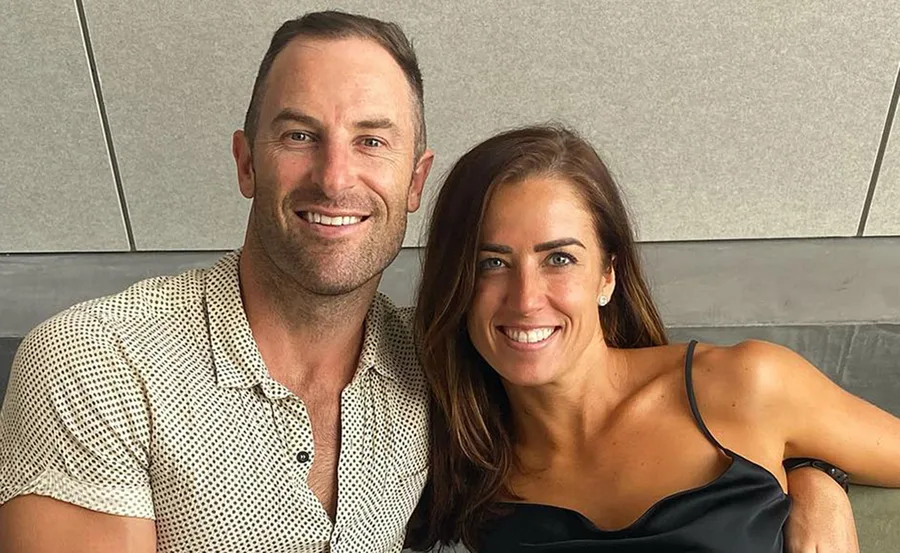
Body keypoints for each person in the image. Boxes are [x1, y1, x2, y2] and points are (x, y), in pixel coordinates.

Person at [0, 11, 856, 553]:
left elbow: (619, 431)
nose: (336, 178)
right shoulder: (100, 360)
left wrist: (809, 481)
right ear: (245, 162)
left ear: (415, 181)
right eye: (300, 135)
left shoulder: (444, 366)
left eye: (372, 140)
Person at [407, 125, 900, 552]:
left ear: (607, 276)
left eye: (559, 259)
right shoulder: (449, 453)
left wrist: (818, 478)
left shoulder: (741, 385)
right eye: (491, 263)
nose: (526, 299)